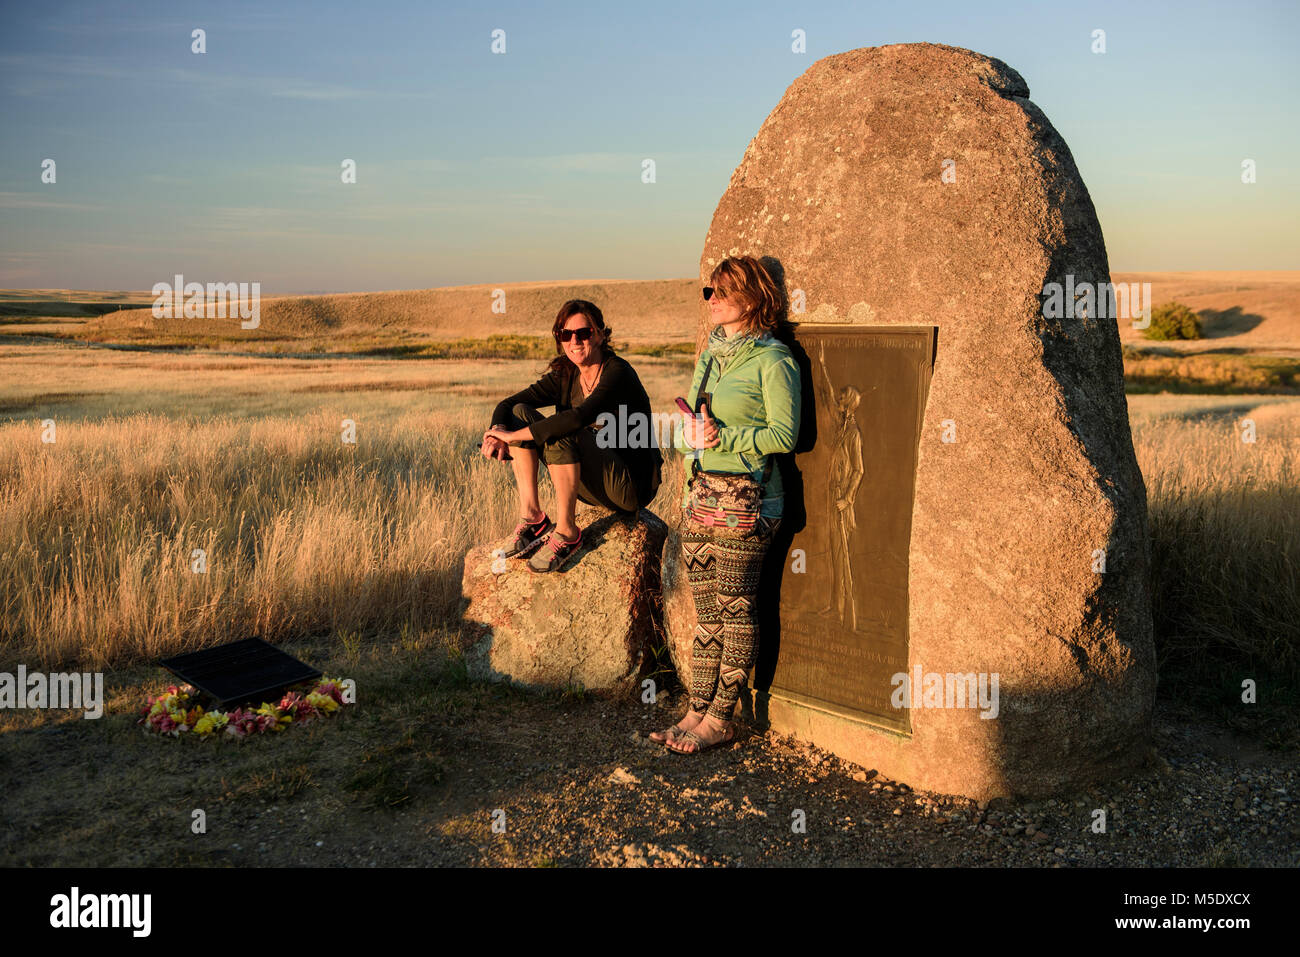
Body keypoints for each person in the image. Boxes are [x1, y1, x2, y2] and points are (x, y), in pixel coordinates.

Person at [651, 256, 801, 753]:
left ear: (753, 299)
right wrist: (690, 438)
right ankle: (696, 709)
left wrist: (723, 435)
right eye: (708, 292)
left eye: (721, 292)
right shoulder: (712, 353)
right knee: (708, 611)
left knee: (737, 609)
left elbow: (785, 434)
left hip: (751, 500)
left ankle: (722, 718)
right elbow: (690, 431)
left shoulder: (774, 358)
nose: (710, 299)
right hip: (703, 497)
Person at [481, 299, 663, 573]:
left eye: (584, 333)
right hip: (590, 488)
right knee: (520, 412)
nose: (574, 340)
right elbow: (508, 405)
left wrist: (516, 436)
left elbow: (579, 418)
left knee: (566, 427)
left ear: (600, 334)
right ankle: (533, 520)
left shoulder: (617, 372)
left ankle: (567, 533)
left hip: (630, 487)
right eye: (566, 334)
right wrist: (497, 433)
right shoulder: (566, 375)